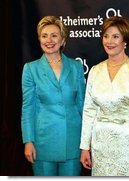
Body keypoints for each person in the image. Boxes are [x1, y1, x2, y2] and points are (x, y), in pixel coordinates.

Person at [79, 16, 129, 176]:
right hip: (101, 145)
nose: (109, 41)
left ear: (125, 41)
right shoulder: (95, 71)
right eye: (106, 36)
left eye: (115, 36)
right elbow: (89, 111)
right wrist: (85, 147)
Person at [21, 15, 85, 176]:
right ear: (39, 39)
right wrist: (28, 141)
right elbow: (28, 108)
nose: (49, 40)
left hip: (73, 140)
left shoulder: (76, 67)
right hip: (42, 142)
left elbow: (82, 105)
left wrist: (86, 142)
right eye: (44, 35)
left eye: (54, 35)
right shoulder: (30, 69)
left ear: (63, 40)